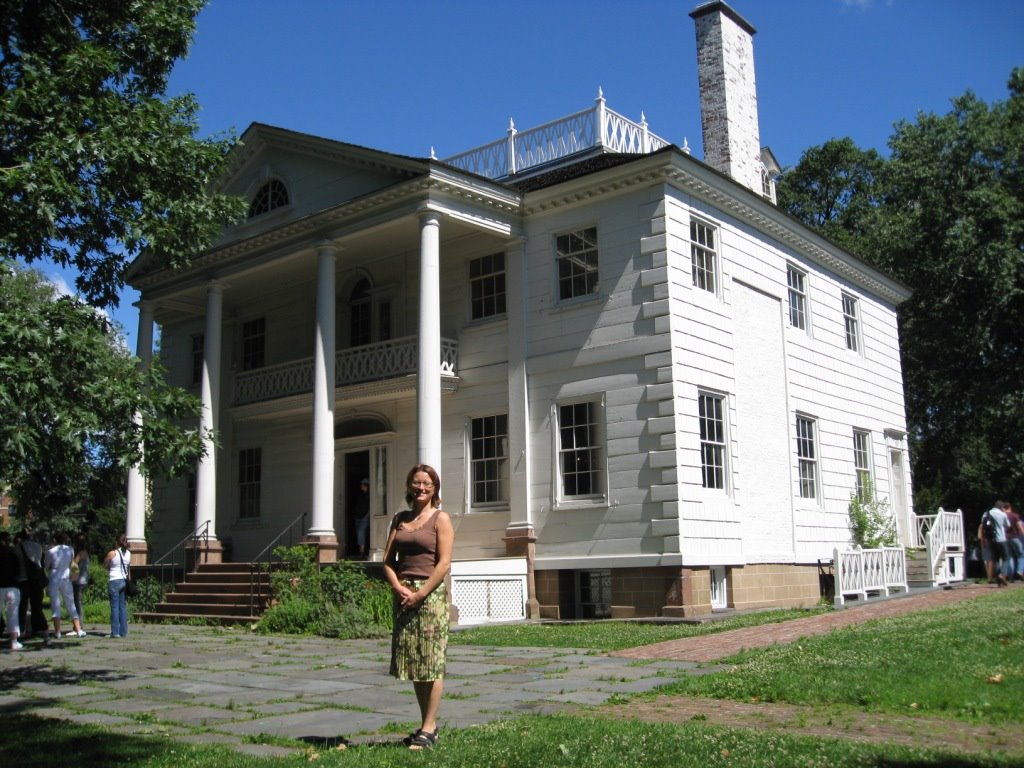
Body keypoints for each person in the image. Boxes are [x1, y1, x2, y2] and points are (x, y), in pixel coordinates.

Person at [382, 464, 454, 750]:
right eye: (416, 483)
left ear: (434, 488)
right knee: (414, 662)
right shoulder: (400, 519)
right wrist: (397, 587)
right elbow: (388, 561)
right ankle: (428, 724)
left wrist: (421, 593)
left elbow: (444, 563)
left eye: (427, 483)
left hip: (430, 596)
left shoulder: (440, 519)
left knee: (431, 661)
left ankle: (427, 727)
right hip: (403, 595)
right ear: (410, 486)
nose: (421, 488)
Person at [44, 531, 86, 639]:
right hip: (66, 576)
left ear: (55, 540)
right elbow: (71, 563)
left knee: (55, 603)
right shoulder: (70, 549)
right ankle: (78, 629)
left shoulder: (51, 551)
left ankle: (57, 631)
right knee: (70, 603)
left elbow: (47, 565)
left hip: (54, 576)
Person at [15, 529, 50, 645]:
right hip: (36, 581)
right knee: (37, 608)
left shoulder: (18, 548)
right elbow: (41, 563)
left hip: (23, 580)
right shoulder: (38, 546)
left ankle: (21, 632)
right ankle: (45, 633)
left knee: (22, 607)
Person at [104, 533, 131, 638]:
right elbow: (128, 566)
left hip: (114, 580)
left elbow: (105, 564)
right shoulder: (128, 553)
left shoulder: (113, 553)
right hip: (124, 581)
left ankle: (115, 632)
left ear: (117, 542)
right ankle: (123, 631)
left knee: (114, 607)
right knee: (122, 607)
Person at [978, 501, 1011, 586]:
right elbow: (1008, 525)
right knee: (1006, 557)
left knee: (994, 558)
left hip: (990, 539)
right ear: (1001, 507)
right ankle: (1002, 574)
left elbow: (982, 525)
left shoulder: (986, 513)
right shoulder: (1002, 514)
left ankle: (998, 575)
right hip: (1001, 539)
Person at [1, 531, 23, 650]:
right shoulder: (13, 555)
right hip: (12, 587)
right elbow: (17, 572)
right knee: (13, 615)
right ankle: (14, 641)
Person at [1003, 502, 1024, 582]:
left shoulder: (1002, 516)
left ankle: (1010, 577)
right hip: (1015, 537)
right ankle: (1020, 571)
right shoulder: (1015, 516)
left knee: (1009, 557)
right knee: (1021, 555)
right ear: (1010, 507)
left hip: (1005, 539)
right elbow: (1019, 527)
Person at [72, 534, 89, 620]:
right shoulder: (86, 553)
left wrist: (71, 576)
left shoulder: (81, 553)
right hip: (84, 579)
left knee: (77, 602)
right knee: (79, 602)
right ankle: (78, 624)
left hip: (78, 580)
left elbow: (74, 564)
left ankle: (79, 624)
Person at [353, 478, 371, 558]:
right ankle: (361, 550)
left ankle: (362, 552)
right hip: (358, 517)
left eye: (363, 485)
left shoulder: (370, 496)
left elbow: (371, 506)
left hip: (364, 517)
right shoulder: (360, 495)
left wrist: (367, 515)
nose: (361, 486)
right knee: (359, 534)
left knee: (361, 533)